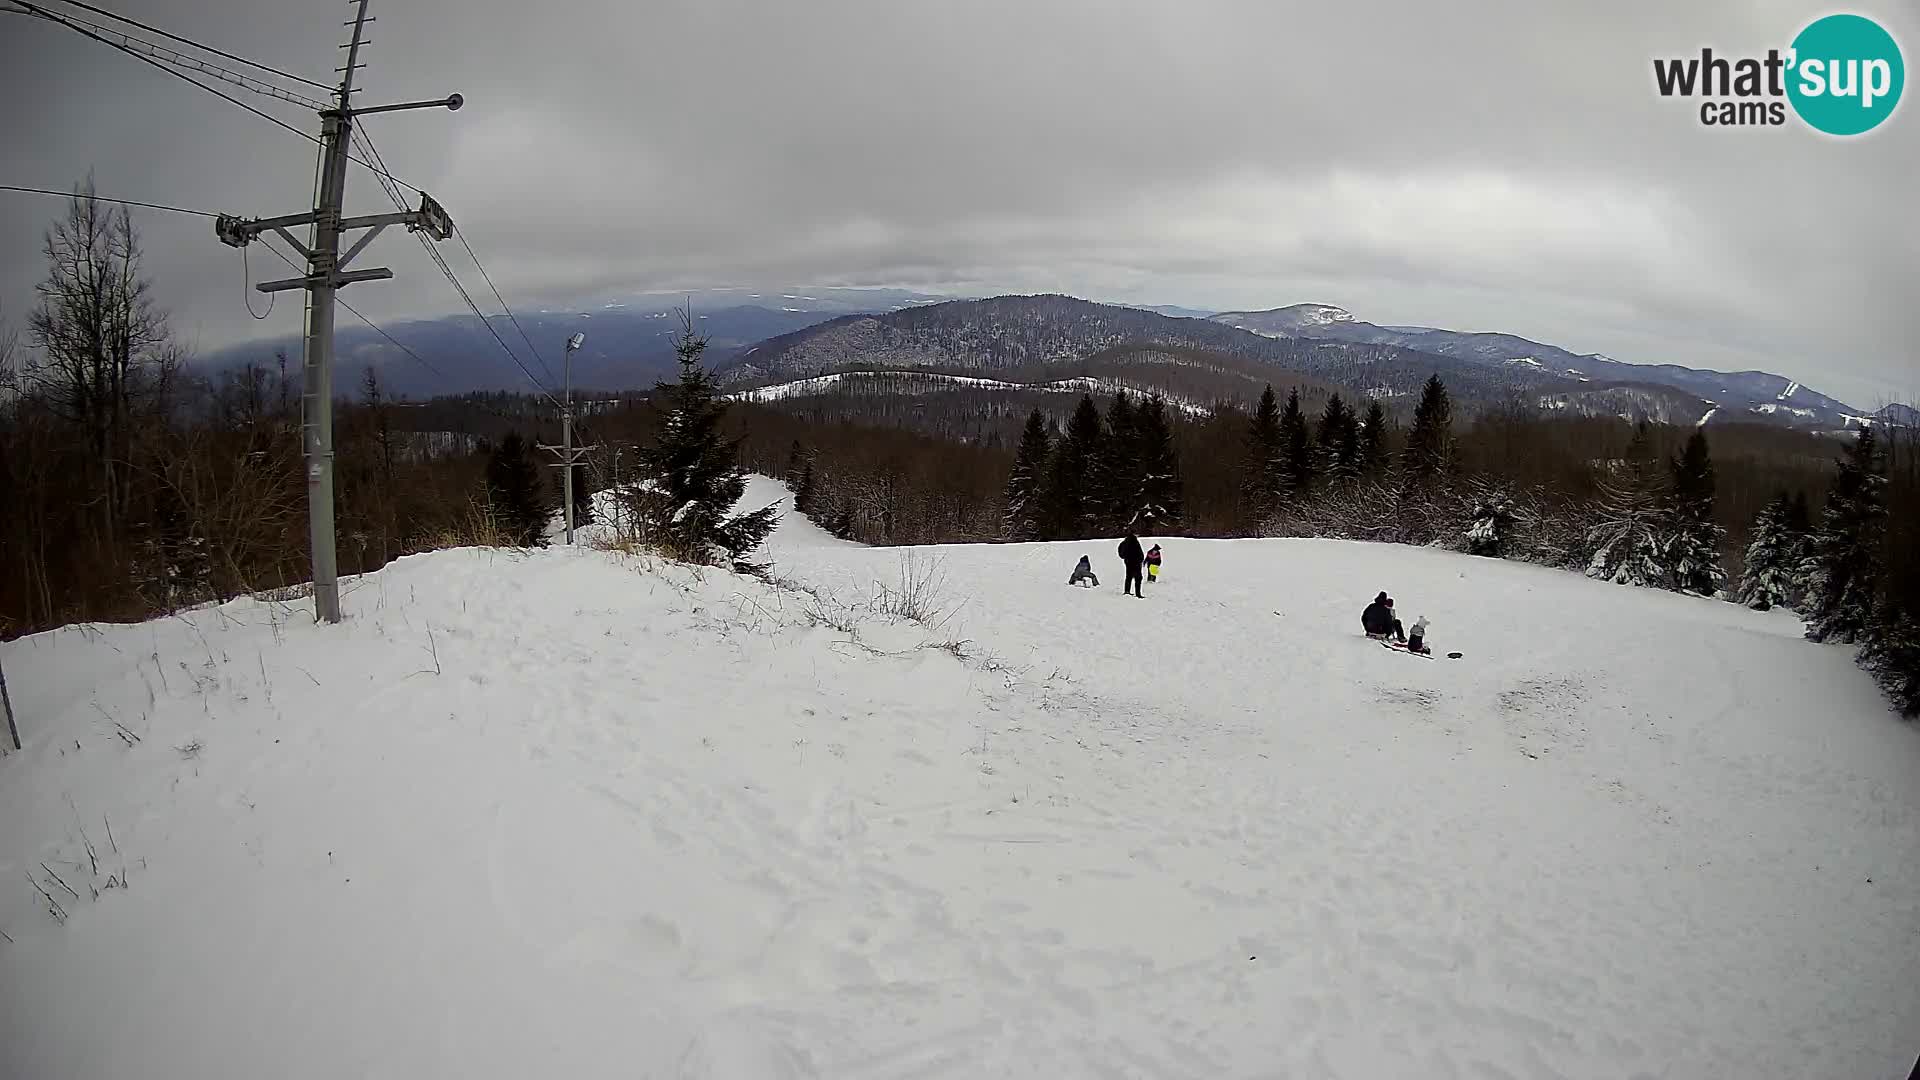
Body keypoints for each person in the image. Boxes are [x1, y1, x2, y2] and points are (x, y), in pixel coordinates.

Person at [1118, 532, 1145, 597]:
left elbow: (1120, 550)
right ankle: (1138, 594)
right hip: (1136, 562)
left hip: (1128, 562)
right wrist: (1141, 559)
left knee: (1129, 576)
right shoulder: (1134, 541)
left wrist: (1124, 557)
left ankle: (1127, 591)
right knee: (1138, 578)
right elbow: (1139, 552)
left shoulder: (1125, 541)